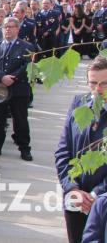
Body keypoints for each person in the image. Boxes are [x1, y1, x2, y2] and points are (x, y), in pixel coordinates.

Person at [56, 55, 107, 243]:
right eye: (93, 83)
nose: (98, 89)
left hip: (103, 200)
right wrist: (72, 187)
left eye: (104, 84)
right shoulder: (79, 103)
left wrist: (96, 195)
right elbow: (63, 151)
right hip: (75, 198)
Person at [0, 17, 34, 161]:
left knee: (20, 120)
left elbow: (27, 66)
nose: (8, 29)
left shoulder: (27, 46)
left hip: (19, 89)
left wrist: (12, 78)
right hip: (0, 87)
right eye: (5, 27)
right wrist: (1, 77)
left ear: (17, 29)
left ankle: (24, 148)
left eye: (11, 27)